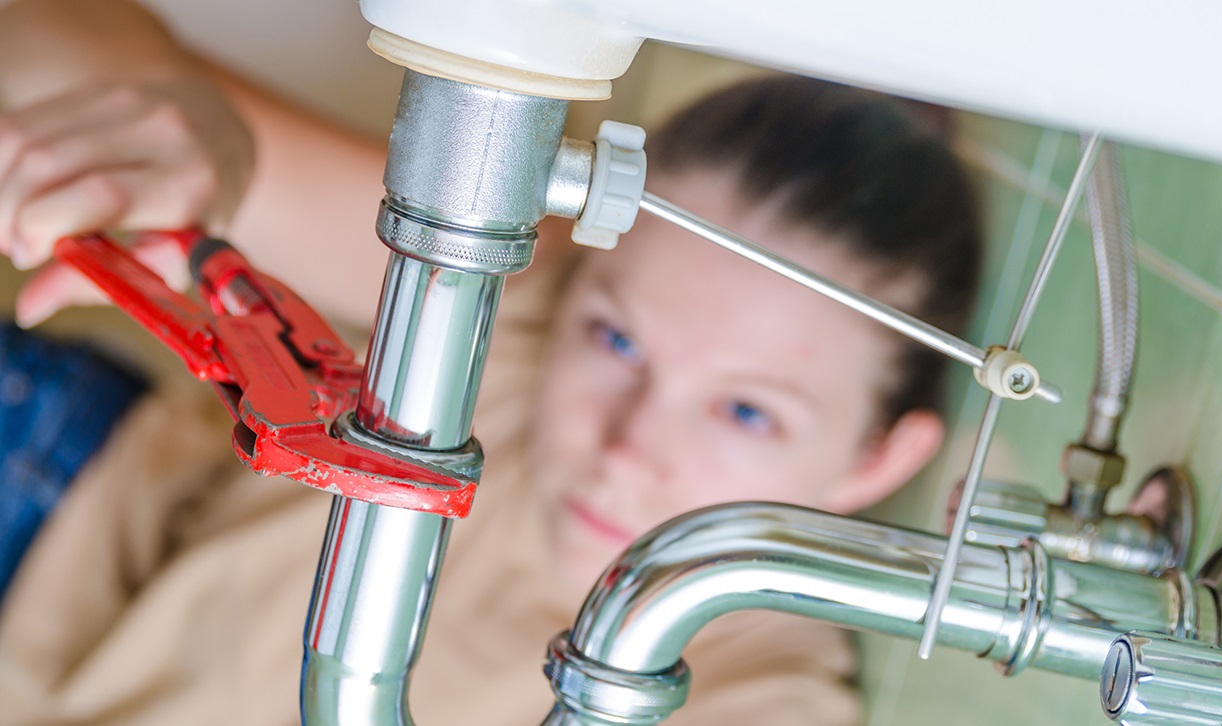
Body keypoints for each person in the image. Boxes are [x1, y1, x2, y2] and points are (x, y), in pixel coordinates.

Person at [0, 1, 982, 723]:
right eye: (619, 339)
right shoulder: (507, 304)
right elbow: (36, 30)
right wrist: (178, 112)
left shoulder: (761, 702)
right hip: (48, 511)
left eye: (748, 414)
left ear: (878, 462)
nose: (627, 447)